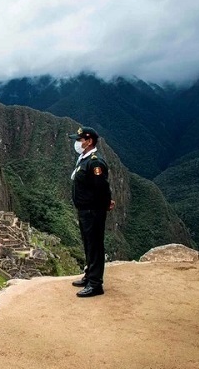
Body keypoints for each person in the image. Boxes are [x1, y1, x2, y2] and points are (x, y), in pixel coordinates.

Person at [68, 127, 115, 297]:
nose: (77, 143)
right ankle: (89, 276)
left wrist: (105, 204)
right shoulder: (84, 159)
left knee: (95, 245)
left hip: (93, 211)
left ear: (89, 142)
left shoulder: (95, 162)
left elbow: (101, 187)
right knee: (88, 244)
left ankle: (96, 284)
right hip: (84, 210)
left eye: (79, 140)